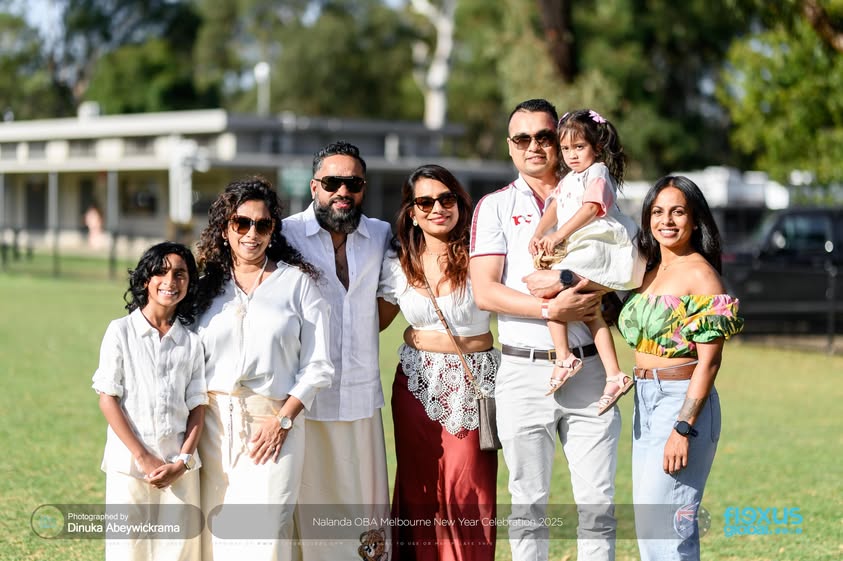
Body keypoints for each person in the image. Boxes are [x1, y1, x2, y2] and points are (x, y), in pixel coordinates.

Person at [469, 98, 621, 561]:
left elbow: (620, 262)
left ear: (561, 141)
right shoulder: (494, 207)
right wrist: (552, 309)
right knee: (528, 503)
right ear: (510, 147)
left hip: (592, 372)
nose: (534, 146)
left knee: (597, 502)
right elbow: (485, 293)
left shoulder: (592, 189)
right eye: (522, 138)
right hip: (521, 371)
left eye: (544, 136)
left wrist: (573, 286)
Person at [193, 177, 333, 561]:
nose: (251, 233)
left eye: (262, 224)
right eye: (241, 223)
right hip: (214, 429)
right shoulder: (206, 288)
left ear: (273, 230)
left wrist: (282, 421)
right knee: (220, 540)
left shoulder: (298, 284)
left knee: (266, 537)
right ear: (225, 229)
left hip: (274, 426)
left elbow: (320, 365)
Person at [617, 176, 743, 560]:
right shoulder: (649, 270)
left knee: (671, 532)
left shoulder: (701, 275)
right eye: (657, 211)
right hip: (645, 399)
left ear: (694, 219)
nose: (666, 220)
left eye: (677, 211)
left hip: (681, 403)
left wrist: (683, 427)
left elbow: (711, 361)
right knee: (650, 529)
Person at [378, 164, 499, 561]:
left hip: (474, 381)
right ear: (412, 212)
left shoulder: (484, 251)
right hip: (415, 382)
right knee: (419, 487)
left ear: (459, 203)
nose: (437, 208)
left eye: (446, 199)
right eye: (425, 202)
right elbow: (373, 323)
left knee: (468, 492)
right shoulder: (397, 261)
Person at [282, 141, 393, 561]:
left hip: (363, 398)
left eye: (353, 183)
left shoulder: (381, 234)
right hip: (307, 400)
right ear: (314, 186)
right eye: (332, 182)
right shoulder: (286, 234)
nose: (342, 191)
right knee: (311, 521)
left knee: (366, 520)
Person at [92, 241, 206, 561]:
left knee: (179, 551)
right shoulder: (120, 332)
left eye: (180, 274)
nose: (170, 281)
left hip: (178, 468)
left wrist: (182, 460)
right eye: (161, 272)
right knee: (128, 550)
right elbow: (107, 397)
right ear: (146, 280)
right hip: (129, 466)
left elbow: (198, 407)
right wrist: (143, 457)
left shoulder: (192, 343)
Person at [528, 108, 644, 413]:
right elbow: (552, 208)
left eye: (579, 147)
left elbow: (592, 208)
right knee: (590, 311)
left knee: (554, 299)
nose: (572, 155)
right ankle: (615, 374)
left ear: (597, 147)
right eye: (565, 149)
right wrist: (539, 232)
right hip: (583, 249)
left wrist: (558, 236)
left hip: (599, 248)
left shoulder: (597, 172)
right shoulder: (569, 180)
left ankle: (564, 356)